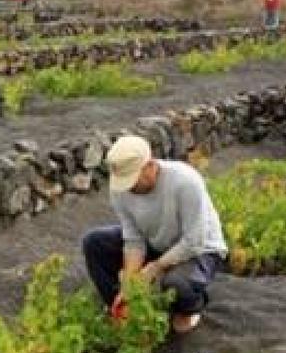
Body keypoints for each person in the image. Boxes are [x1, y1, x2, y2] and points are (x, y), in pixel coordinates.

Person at [82, 135, 228, 334]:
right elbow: (133, 238)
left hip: (201, 250)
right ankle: (121, 307)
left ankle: (190, 309)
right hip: (157, 242)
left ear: (149, 165)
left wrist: (156, 267)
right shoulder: (120, 188)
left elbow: (195, 240)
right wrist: (130, 284)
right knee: (94, 242)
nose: (129, 187)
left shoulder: (184, 181)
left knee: (176, 284)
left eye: (133, 180)